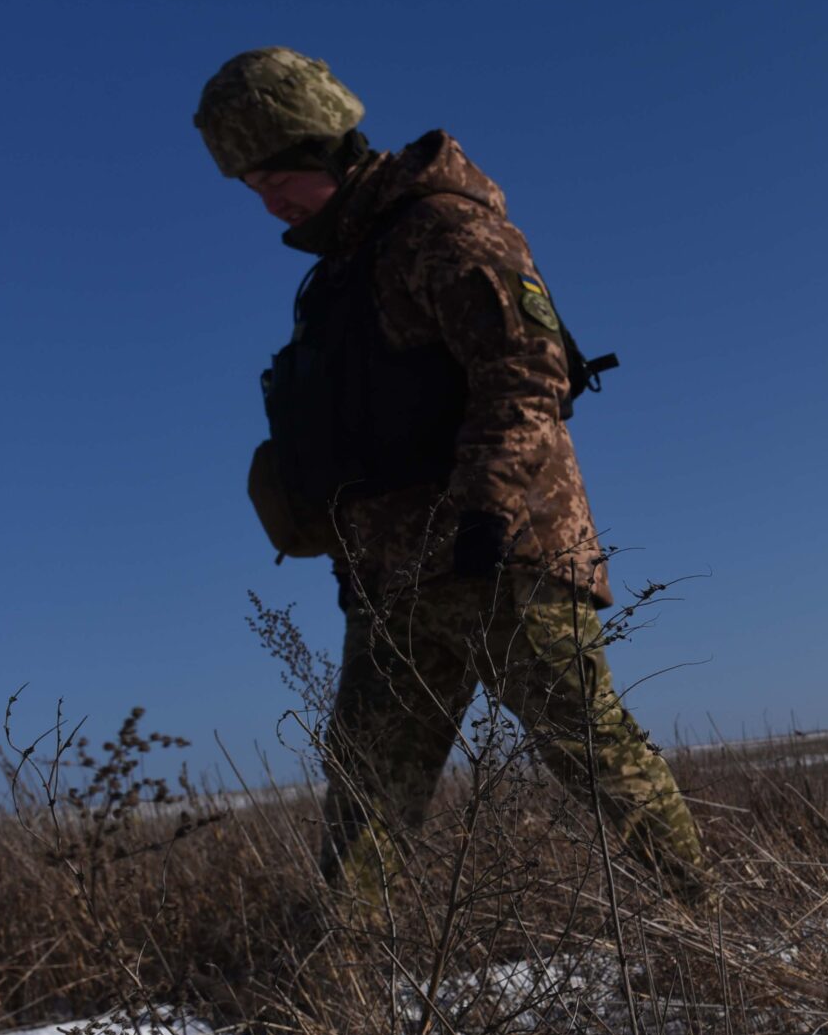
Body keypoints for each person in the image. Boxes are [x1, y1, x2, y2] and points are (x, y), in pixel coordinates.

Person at [195, 48, 708, 909]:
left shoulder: (445, 228)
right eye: (252, 187)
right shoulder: (337, 278)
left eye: (276, 176)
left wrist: (485, 515)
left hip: (502, 558)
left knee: (593, 752)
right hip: (394, 583)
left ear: (324, 149)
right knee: (365, 795)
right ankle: (338, 998)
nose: (269, 201)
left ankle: (719, 932)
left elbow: (526, 370)